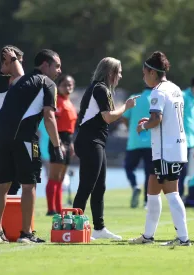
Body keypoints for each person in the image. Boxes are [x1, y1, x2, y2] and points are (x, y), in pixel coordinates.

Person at [0, 49, 63, 243]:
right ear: (45, 65)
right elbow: (49, 117)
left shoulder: (18, 80)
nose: (59, 70)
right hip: (25, 139)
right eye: (56, 66)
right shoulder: (48, 83)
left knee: (2, 184)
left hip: (2, 138)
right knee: (29, 185)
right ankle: (26, 233)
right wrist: (57, 146)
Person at [128, 51, 191, 246]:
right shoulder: (175, 88)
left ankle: (183, 238)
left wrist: (144, 125)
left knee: (171, 192)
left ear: (153, 73)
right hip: (173, 147)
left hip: (167, 149)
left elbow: (157, 119)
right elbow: (165, 118)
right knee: (152, 189)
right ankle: (148, 236)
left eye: (144, 72)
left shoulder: (158, 92)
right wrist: (150, 121)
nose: (143, 77)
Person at [73, 57, 138, 241]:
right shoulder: (100, 88)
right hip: (89, 141)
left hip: (95, 141)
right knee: (86, 185)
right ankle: (75, 227)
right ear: (110, 73)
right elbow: (108, 117)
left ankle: (99, 228)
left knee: (99, 186)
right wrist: (126, 106)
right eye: (119, 72)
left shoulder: (101, 89)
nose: (120, 76)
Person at [0, 45, 25, 196]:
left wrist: (14, 60)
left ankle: (8, 218)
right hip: (3, 134)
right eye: (16, 61)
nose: (19, 65)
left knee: (15, 182)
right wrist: (13, 58)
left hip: (15, 134)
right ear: (6, 62)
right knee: (5, 182)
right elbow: (22, 79)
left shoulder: (10, 79)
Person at [45, 74, 77, 215]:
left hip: (68, 139)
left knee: (61, 178)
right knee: (54, 177)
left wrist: (71, 144)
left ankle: (59, 208)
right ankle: (51, 209)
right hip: (57, 140)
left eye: (70, 85)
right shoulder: (57, 101)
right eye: (65, 84)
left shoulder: (69, 102)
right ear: (58, 86)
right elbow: (54, 123)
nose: (68, 87)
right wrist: (59, 143)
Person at [122, 87, 154, 208]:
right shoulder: (157, 99)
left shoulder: (134, 98)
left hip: (134, 141)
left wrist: (130, 127)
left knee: (129, 167)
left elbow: (124, 117)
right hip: (151, 143)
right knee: (149, 173)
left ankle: (135, 185)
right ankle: (147, 201)